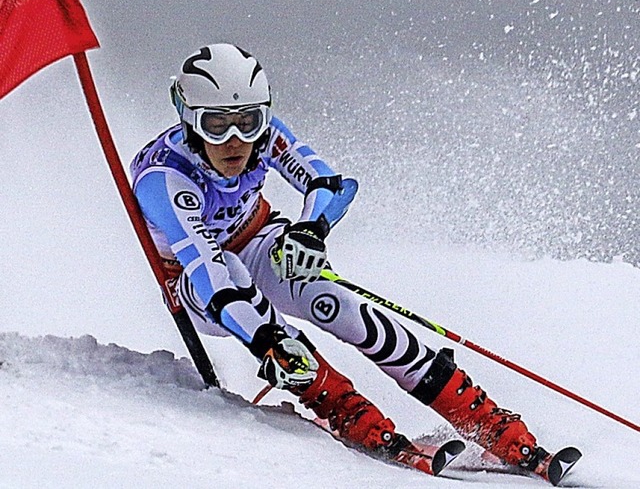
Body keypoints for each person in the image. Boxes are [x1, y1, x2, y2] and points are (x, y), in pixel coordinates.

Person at [130, 42, 546, 469]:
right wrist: (265, 340)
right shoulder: (164, 177)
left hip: (256, 239)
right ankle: (351, 414)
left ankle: (485, 419)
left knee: (333, 302)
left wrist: (311, 231)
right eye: (216, 125)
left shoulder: (266, 138)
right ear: (188, 122)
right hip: (197, 286)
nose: (235, 140)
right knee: (254, 303)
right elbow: (208, 267)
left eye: (249, 122)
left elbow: (330, 184)